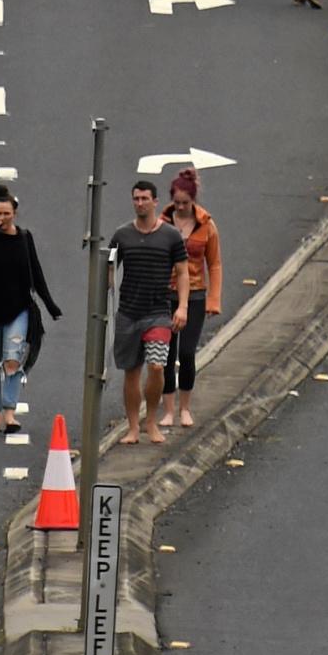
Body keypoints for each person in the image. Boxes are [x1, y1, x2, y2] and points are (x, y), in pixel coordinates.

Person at [0, 189, 60, 435]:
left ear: (15, 213)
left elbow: (36, 272)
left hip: (18, 309)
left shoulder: (24, 238)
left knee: (12, 359)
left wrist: (50, 304)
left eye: (7, 213)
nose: (3, 217)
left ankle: (10, 412)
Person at [108, 177, 188, 448]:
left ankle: (151, 420)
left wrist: (183, 306)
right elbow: (108, 269)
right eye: (136, 198)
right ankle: (132, 427)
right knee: (131, 371)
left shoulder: (171, 235)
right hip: (129, 312)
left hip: (158, 312)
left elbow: (182, 272)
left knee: (156, 366)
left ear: (155, 202)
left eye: (145, 199)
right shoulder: (122, 235)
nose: (140, 203)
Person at [158, 168, 223, 434]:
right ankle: (169, 409)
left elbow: (215, 264)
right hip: (166, 294)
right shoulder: (162, 223)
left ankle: (185, 407)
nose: (182, 207)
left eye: (186, 203)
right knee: (165, 352)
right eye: (178, 203)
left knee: (186, 353)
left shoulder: (206, 224)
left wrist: (213, 300)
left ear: (193, 200)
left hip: (195, 294)